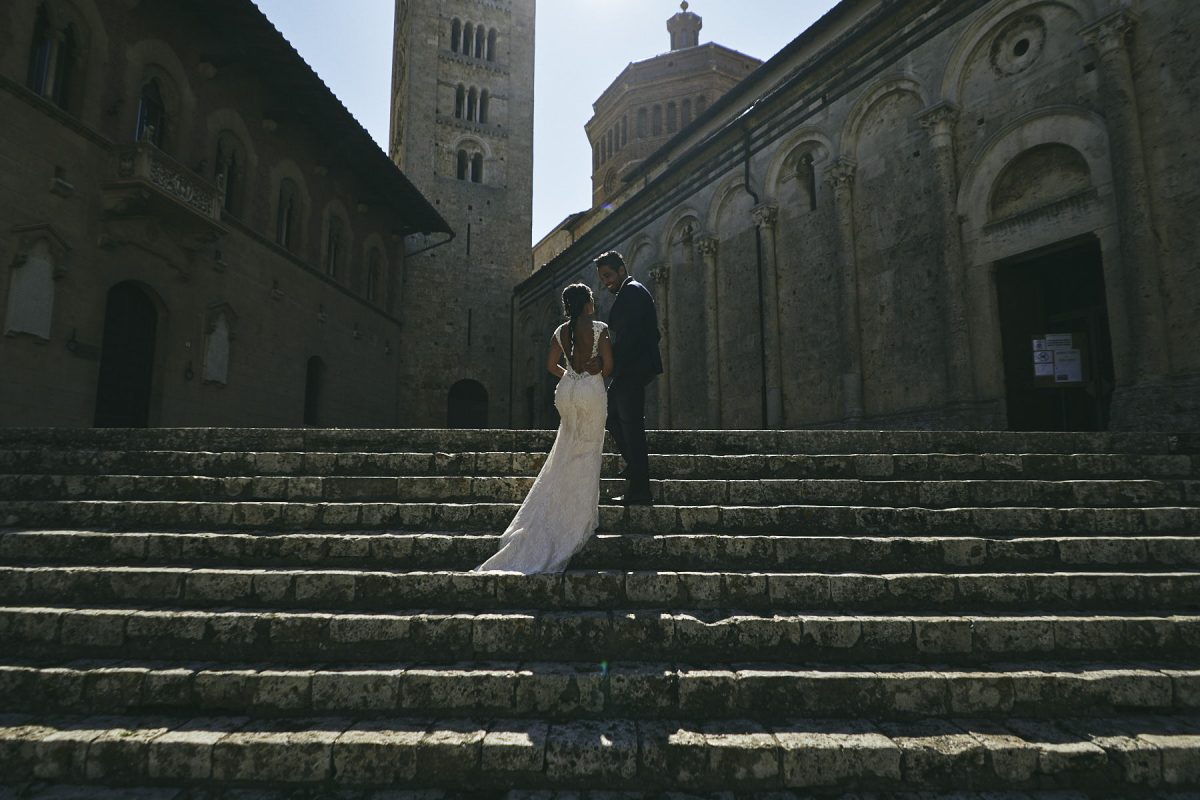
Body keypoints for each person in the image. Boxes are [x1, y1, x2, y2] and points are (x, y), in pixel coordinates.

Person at [475, 283, 614, 573]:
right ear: (588, 302)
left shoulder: (560, 332)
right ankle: (580, 519)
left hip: (567, 392)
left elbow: (551, 366)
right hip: (590, 394)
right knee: (587, 454)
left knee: (565, 451)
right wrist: (592, 370)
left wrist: (570, 376)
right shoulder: (600, 327)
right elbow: (608, 366)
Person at [593, 250, 662, 505]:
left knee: (631, 427)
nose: (606, 282)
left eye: (609, 275)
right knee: (613, 416)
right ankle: (635, 467)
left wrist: (608, 362)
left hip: (631, 369)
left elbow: (632, 336)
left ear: (622, 270)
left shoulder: (632, 291)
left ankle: (640, 489)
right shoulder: (631, 292)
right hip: (632, 368)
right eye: (602, 278)